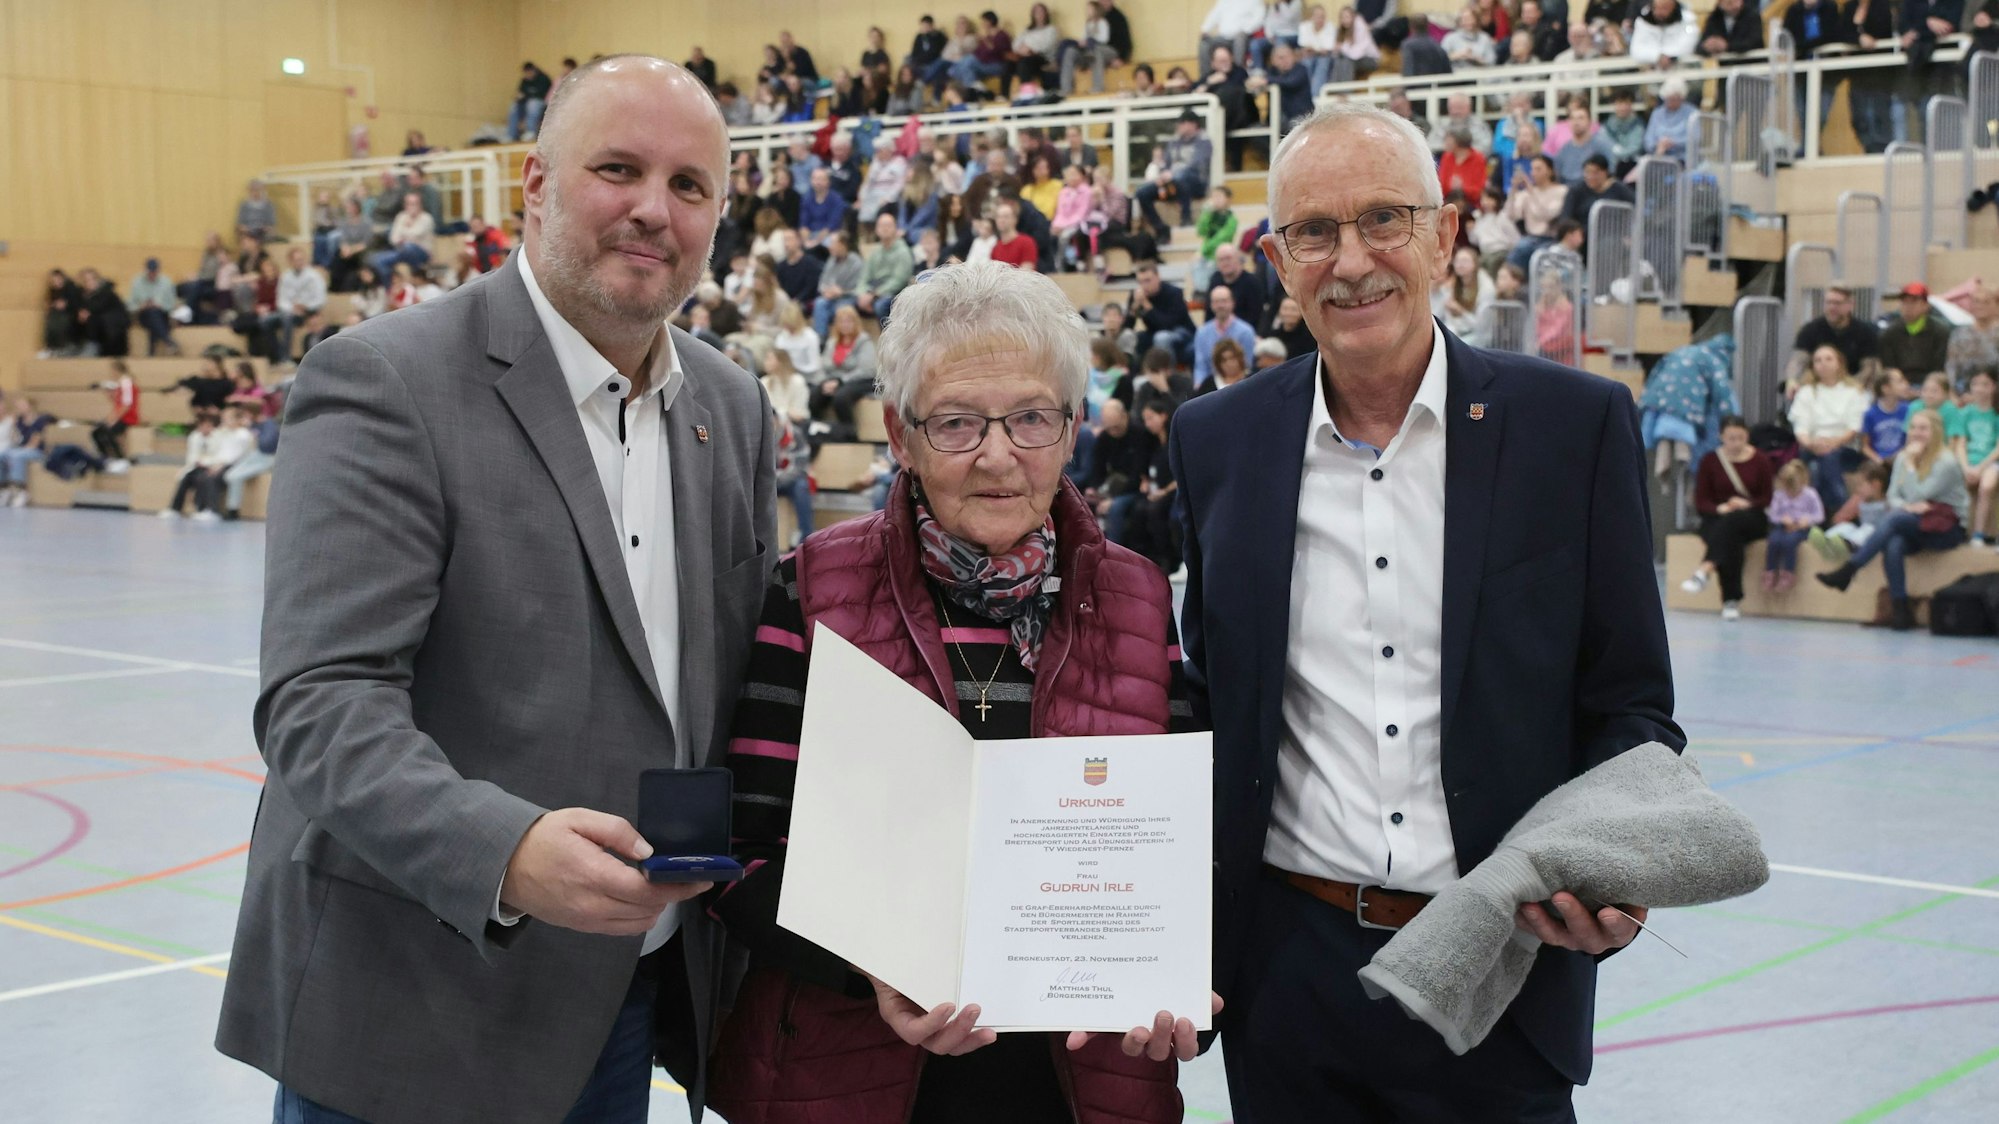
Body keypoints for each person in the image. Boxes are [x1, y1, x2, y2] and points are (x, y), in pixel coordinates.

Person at [216, 56, 775, 1124]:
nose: (653, 210)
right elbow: (320, 703)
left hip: (621, 997)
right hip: (415, 1003)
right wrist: (503, 853)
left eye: (690, 184)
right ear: (534, 182)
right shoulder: (386, 379)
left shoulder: (732, 406)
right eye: (618, 168)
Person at [1172, 101, 1678, 1119]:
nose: (1350, 259)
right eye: (1313, 231)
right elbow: (1205, 699)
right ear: (1279, 260)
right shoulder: (1214, 440)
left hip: (1499, 962)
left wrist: (1613, 869)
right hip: (1286, 977)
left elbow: (1629, 705)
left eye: (1383, 219)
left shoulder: (1571, 427)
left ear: (1442, 236)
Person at [707, 261, 1204, 1122]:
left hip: (1083, 1086)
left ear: (1073, 428)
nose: (998, 454)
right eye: (958, 423)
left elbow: (1188, 847)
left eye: (1030, 419)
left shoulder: (1137, 595)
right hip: (849, 1067)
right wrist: (870, 968)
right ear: (901, 436)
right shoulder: (811, 587)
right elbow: (739, 851)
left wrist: (1176, 982)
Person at [1817, 409, 1970, 629]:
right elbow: (1892, 497)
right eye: (1914, 427)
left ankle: (1849, 570)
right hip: (1915, 521)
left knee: (1896, 519)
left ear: (1936, 432)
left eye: (1923, 428)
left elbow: (1919, 493)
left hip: (1947, 527)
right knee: (1893, 542)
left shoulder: (1945, 462)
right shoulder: (1903, 456)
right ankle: (1900, 610)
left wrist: (1909, 468)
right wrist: (1906, 505)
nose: (1917, 433)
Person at [1682, 416, 1774, 619]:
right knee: (1730, 536)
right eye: (1731, 438)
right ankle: (1730, 601)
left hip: (1752, 517)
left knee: (1731, 524)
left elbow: (1767, 497)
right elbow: (1702, 500)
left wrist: (1746, 504)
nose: (1736, 443)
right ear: (1721, 436)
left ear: (1747, 436)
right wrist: (1720, 508)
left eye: (1740, 438)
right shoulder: (1709, 461)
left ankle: (1705, 570)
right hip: (1717, 517)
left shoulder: (1760, 460)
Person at [1790, 343, 1869, 513]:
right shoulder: (1806, 392)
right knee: (1820, 462)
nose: (1823, 363)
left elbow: (1855, 426)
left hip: (1845, 447)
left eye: (1828, 359)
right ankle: (1839, 514)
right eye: (1818, 360)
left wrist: (1833, 443)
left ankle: (1826, 515)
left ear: (1839, 363)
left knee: (1818, 468)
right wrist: (1812, 444)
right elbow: (1801, 427)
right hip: (1812, 446)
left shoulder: (1854, 391)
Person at [1135, 111, 1214, 242]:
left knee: (1181, 176)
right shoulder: (1174, 142)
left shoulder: (1204, 141)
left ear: (1193, 124)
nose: (1179, 126)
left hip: (1196, 183)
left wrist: (1172, 174)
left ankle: (1186, 217)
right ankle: (1160, 228)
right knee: (1142, 193)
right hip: (1172, 184)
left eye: (1182, 123)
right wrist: (1162, 175)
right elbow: (1166, 164)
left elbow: (1197, 163)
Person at [1794, 286, 1881, 389]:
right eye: (1828, 302)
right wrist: (1792, 381)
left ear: (1850, 305)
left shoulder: (1866, 332)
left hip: (1855, 388)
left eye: (1837, 303)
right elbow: (1798, 361)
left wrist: (1845, 389)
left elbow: (1869, 369)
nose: (1831, 307)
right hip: (1818, 389)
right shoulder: (1810, 330)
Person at [1810, 461, 1894, 564]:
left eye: (1861, 485)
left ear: (1876, 485)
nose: (1857, 488)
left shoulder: (1887, 504)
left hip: (1875, 540)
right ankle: (1828, 540)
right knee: (1847, 526)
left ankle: (1850, 545)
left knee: (1868, 529)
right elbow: (1839, 518)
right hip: (1860, 537)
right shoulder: (1862, 501)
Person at [1761, 459, 1824, 594]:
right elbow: (1772, 514)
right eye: (1787, 489)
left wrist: (1807, 520)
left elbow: (1819, 515)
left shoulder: (1810, 494)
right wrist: (1782, 519)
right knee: (1774, 541)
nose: (1790, 493)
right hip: (1783, 526)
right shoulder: (1779, 495)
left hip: (1802, 527)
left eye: (1793, 490)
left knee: (1789, 542)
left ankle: (1788, 573)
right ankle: (1770, 571)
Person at [1954, 368, 1999, 545]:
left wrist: (1980, 467)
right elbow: (1960, 444)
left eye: (1985, 384)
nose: (1979, 389)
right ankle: (1960, 530)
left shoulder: (1996, 414)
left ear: (1994, 387)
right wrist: (1966, 467)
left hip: (1990, 462)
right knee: (1958, 483)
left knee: (1987, 486)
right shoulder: (1964, 413)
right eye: (1975, 384)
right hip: (1968, 462)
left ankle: (1979, 533)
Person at [817, 303, 880, 427]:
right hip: (835, 380)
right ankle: (819, 429)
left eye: (848, 321)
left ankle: (848, 430)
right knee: (816, 392)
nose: (845, 325)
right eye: (841, 321)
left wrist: (840, 380)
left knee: (841, 397)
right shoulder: (832, 342)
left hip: (861, 380)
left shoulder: (863, 340)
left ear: (855, 322)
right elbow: (824, 364)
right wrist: (826, 382)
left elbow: (866, 369)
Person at [1878, 282, 1953, 387]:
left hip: (1930, 385)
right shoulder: (1890, 333)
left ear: (1926, 305)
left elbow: (1939, 367)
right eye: (1904, 302)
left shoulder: (1940, 332)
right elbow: (1889, 368)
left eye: (1913, 302)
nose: (1908, 307)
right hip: (1899, 385)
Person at [1192, 285, 1259, 388]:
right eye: (1216, 302)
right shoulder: (1202, 333)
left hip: (1238, 386)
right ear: (1211, 305)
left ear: (1232, 303)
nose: (1220, 305)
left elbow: (1247, 366)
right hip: (1210, 388)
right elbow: (1200, 367)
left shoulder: (1246, 331)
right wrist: (1200, 388)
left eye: (1224, 301)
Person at [1129, 262, 1196, 364]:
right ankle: (1141, 374)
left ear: (1158, 277)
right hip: (1155, 332)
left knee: (1161, 337)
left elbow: (1167, 325)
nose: (1144, 286)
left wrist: (1147, 305)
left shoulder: (1174, 293)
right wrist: (1134, 308)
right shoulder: (1137, 296)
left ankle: (1167, 376)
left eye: (1147, 280)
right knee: (1136, 337)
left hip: (1182, 332)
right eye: (1140, 282)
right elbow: (1127, 327)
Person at [856, 212, 916, 322]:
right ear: (876, 230)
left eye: (888, 226)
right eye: (882, 226)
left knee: (881, 305)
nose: (885, 229)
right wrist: (862, 293)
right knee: (848, 304)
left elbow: (899, 281)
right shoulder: (875, 252)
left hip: (895, 293)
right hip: (874, 290)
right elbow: (864, 277)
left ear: (895, 229)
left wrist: (874, 295)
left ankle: (887, 338)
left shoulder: (903, 251)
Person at [272, 247, 327, 366]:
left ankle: (285, 357)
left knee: (286, 319)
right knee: (264, 321)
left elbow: (320, 299)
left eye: (301, 259)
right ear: (290, 261)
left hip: (308, 312)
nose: (299, 262)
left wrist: (305, 306)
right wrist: (292, 309)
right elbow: (281, 300)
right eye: (296, 260)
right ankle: (273, 357)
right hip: (289, 311)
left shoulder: (314, 276)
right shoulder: (285, 276)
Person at [1432, 245, 1495, 345]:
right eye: (1457, 261)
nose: (1460, 265)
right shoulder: (1453, 285)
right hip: (1457, 333)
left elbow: (1481, 326)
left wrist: (1460, 311)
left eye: (1465, 261)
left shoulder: (1486, 287)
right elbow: (1446, 319)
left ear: (1475, 264)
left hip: (1479, 336)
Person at [1, 395, 54, 506]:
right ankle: (4, 487)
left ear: (30, 406)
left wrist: (19, 450)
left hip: (36, 451)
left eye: (22, 405)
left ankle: (21, 490)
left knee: (15, 456)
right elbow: (15, 438)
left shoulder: (39, 420)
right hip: (22, 450)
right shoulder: (19, 421)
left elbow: (34, 443)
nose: (19, 407)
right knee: (2, 455)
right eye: (18, 405)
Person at [1946, 283, 1999, 394]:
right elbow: (1952, 366)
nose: (1980, 306)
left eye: (1986, 302)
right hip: (1963, 391)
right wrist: (1952, 393)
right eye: (1976, 301)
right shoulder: (1959, 334)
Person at [94, 358, 140, 471]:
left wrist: (111, 419)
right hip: (121, 416)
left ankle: (120, 459)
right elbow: (117, 403)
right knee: (97, 432)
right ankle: (107, 457)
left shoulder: (126, 382)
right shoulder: (121, 384)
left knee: (107, 431)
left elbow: (126, 405)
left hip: (128, 417)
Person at [1863, 370, 1913, 465]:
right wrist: (1878, 460)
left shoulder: (1908, 410)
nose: (1906, 384)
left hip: (1902, 457)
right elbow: (1865, 447)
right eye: (1900, 381)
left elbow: (1911, 440)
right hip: (1878, 460)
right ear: (1886, 388)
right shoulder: (1870, 414)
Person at [1630, 0, 1699, 67]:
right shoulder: (1643, 23)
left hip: (1681, 68)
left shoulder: (1688, 21)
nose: (1659, 12)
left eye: (1664, 8)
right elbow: (1636, 50)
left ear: (1673, 7)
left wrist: (1668, 57)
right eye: (1656, 8)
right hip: (1651, 69)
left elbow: (1688, 45)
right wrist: (1657, 56)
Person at [1643, 77, 1695, 159]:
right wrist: (1658, 144)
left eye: (1674, 99)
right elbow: (1648, 140)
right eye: (1668, 99)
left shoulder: (1692, 113)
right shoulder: (1657, 113)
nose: (1670, 102)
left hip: (1682, 159)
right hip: (1658, 156)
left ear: (1682, 98)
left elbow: (1695, 139)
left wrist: (1673, 143)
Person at [988, 198, 1040, 270]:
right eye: (998, 216)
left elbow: (1027, 273)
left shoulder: (1026, 242)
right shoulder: (995, 248)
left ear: (1015, 219)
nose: (1001, 220)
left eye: (1006, 216)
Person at [1699, 0, 1765, 56]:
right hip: (1726, 67)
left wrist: (1727, 46)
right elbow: (1701, 45)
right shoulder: (1715, 18)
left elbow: (1755, 43)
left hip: (1752, 65)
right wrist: (1708, 45)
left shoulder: (1752, 16)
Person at [508, 61, 552, 140]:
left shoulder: (543, 78)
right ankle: (511, 135)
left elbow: (541, 94)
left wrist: (526, 95)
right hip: (526, 102)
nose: (527, 75)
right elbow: (520, 93)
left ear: (533, 70)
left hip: (541, 102)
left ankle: (530, 131)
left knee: (532, 104)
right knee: (513, 106)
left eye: (528, 72)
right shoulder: (525, 80)